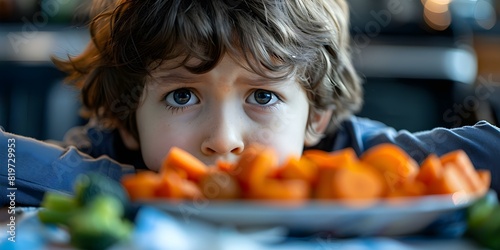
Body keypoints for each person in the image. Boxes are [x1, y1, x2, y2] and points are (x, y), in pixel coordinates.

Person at [1, 0, 499, 207]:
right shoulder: (102, 150)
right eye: (181, 95)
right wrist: (133, 187)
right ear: (129, 120)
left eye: (263, 95)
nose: (224, 138)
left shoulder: (352, 159)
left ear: (316, 117)